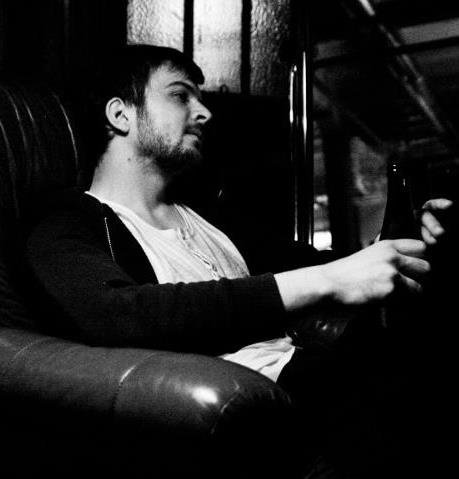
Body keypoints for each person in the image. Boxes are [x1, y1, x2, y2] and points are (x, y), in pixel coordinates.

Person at [25, 45, 453, 477]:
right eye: (180, 95)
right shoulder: (67, 220)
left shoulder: (209, 216)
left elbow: (317, 263)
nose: (204, 112)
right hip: (257, 408)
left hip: (317, 370)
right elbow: (116, 314)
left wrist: (399, 244)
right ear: (121, 115)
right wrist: (325, 280)